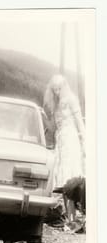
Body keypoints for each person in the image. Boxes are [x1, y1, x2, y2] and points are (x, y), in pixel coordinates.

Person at [43, 74, 85, 224]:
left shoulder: (71, 100)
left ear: (64, 87)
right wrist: (45, 118)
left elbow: (79, 122)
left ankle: (74, 217)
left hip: (71, 139)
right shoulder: (55, 103)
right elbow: (53, 128)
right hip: (60, 140)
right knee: (62, 179)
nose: (57, 92)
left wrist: (84, 142)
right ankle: (69, 217)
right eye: (54, 89)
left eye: (59, 88)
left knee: (70, 178)